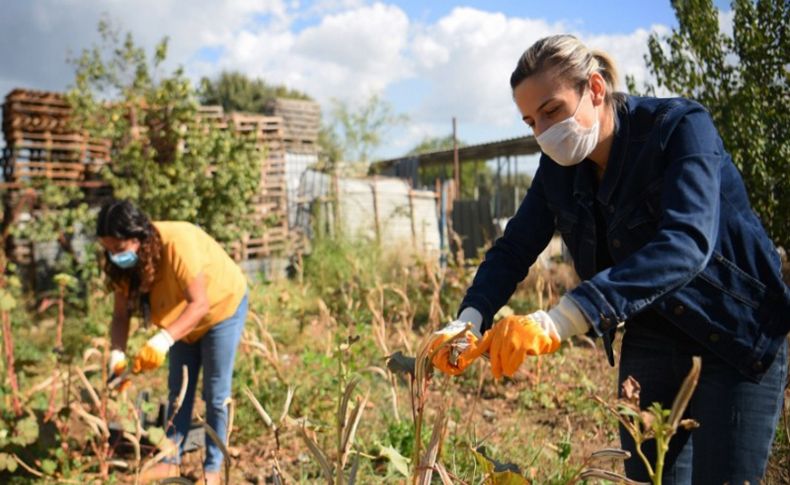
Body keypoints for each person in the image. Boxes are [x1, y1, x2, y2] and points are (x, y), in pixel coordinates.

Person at [430, 34, 790, 484]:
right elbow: (514, 248)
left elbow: (686, 242)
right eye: (530, 122)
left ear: (595, 89)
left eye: (552, 111)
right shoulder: (557, 169)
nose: (543, 132)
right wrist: (469, 318)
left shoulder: (679, 128)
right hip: (653, 336)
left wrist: (558, 320)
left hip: (734, 330)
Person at [98, 199, 248, 485]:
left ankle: (213, 471)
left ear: (138, 237)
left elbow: (200, 304)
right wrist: (117, 354)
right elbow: (120, 316)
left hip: (220, 308)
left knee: (215, 394)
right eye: (107, 248)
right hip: (181, 318)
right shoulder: (123, 268)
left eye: (118, 249)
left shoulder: (178, 242)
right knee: (178, 391)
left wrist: (163, 339)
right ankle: (169, 461)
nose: (113, 256)